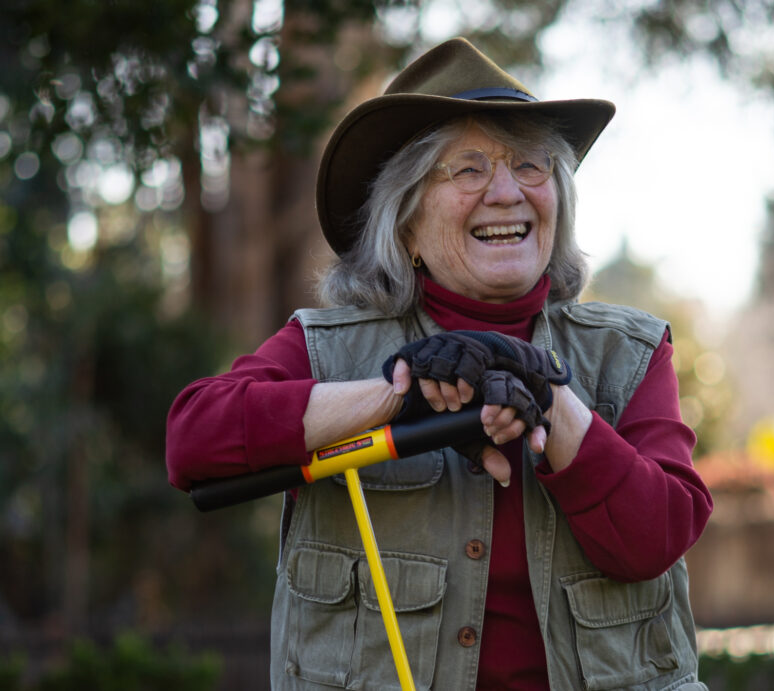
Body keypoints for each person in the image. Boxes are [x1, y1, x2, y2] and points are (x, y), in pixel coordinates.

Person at [166, 37, 713, 691]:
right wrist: (395, 395)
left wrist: (548, 394)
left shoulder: (633, 353)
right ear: (405, 224)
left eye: (531, 166)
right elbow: (191, 439)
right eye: (468, 169)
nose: (507, 191)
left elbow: (658, 537)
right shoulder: (323, 349)